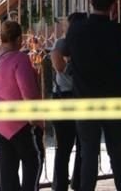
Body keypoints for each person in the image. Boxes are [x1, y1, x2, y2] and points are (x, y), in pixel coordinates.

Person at [64, 0, 121, 191]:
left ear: (91, 2)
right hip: (113, 99)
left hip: (85, 100)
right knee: (117, 152)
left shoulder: (76, 29)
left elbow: (67, 53)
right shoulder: (118, 31)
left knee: (89, 154)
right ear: (113, 6)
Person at [0, 19, 45, 191]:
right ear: (19, 39)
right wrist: (37, 120)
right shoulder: (19, 59)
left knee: (8, 164)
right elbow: (28, 92)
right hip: (19, 121)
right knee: (33, 160)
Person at [50, 12, 86, 191]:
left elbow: (60, 66)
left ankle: (72, 183)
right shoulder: (62, 44)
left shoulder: (83, 46)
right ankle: (62, 184)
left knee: (77, 146)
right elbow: (59, 66)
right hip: (66, 97)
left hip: (74, 97)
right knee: (67, 146)